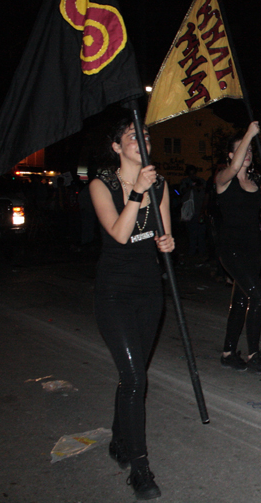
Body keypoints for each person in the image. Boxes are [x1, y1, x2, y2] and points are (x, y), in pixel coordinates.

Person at [89, 117, 175, 500]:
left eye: (147, 136)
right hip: (114, 294)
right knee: (136, 380)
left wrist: (168, 243)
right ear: (116, 147)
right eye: (132, 137)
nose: (142, 141)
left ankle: (118, 439)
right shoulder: (100, 185)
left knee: (133, 373)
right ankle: (140, 468)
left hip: (149, 291)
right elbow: (120, 234)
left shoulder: (161, 184)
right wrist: (138, 192)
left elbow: (164, 236)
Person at [215, 122, 261, 373]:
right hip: (231, 248)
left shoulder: (257, 179)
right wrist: (248, 134)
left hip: (252, 249)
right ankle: (254, 354)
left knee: (241, 302)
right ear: (232, 154)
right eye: (243, 149)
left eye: (251, 150)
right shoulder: (223, 178)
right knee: (258, 297)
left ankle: (228, 352)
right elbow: (233, 168)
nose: (249, 153)